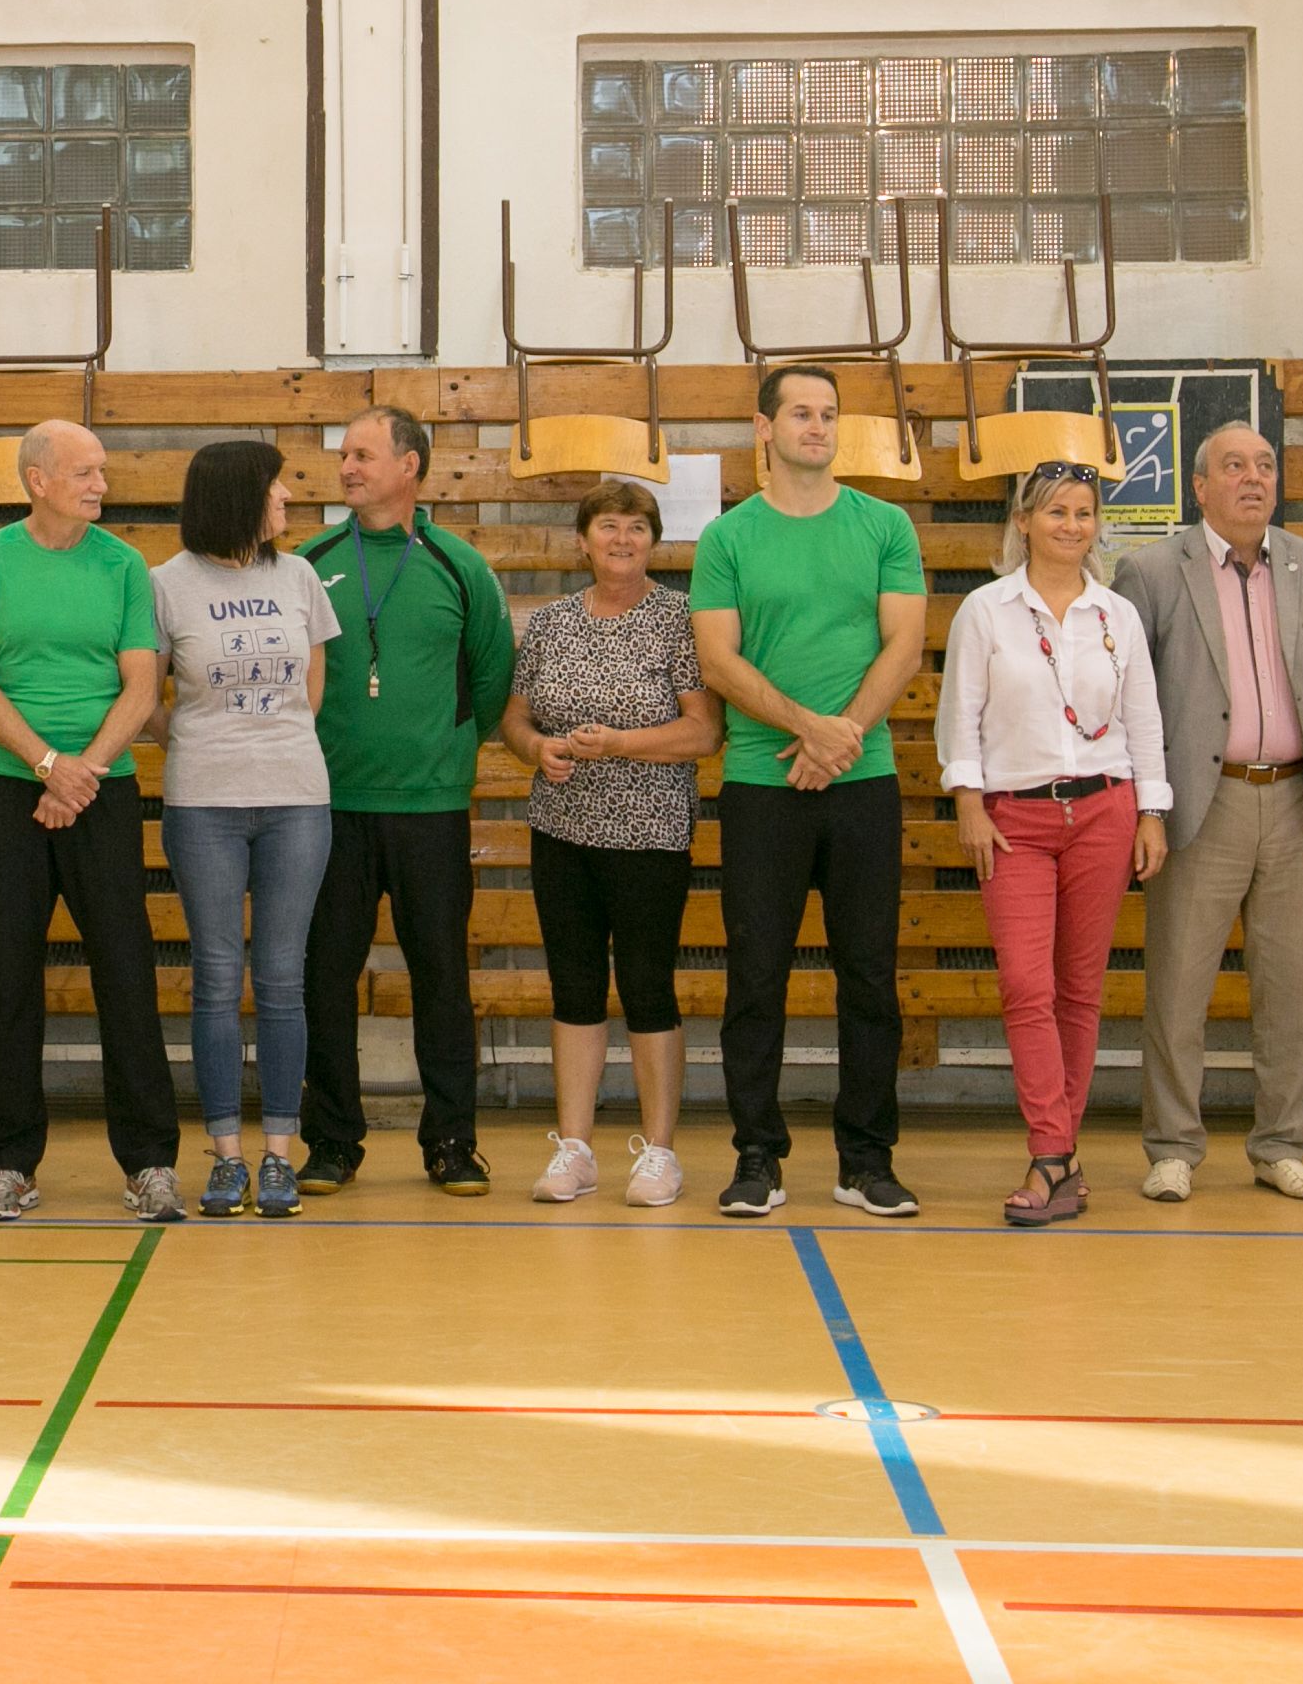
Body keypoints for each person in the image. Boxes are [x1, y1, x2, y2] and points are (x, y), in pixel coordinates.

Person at [691, 367, 929, 1218]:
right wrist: (806, 728)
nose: (818, 426)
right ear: (765, 428)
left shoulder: (884, 524)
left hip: (863, 782)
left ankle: (866, 1160)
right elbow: (718, 660)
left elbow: (905, 645)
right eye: (801, 412)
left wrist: (842, 736)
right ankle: (757, 1156)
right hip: (762, 784)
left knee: (869, 976)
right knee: (757, 976)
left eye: (829, 414)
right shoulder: (728, 538)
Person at [0, 419, 183, 1224]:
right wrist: (49, 765)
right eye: (85, 472)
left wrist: (80, 772)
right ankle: (10, 1164)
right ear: (37, 480)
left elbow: (142, 687)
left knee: (126, 972)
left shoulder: (123, 566)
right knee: (10, 977)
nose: (100, 485)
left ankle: (150, 1162)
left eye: (103, 471)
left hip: (103, 791)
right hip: (11, 790)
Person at [938, 461, 1171, 1228]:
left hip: (1106, 811)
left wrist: (1151, 811)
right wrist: (968, 801)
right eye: (1056, 512)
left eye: (1083, 513)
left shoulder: (1117, 615)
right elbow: (960, 714)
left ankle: (1055, 1158)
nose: (1072, 525)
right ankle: (1054, 1150)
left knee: (1080, 989)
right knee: (1024, 986)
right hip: (1015, 821)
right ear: (1023, 522)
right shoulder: (986, 610)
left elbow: (1143, 719)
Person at [294, 406, 516, 1197]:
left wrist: (442, 755)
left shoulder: (460, 565)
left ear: (409, 465)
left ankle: (451, 1141)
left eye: (363, 454)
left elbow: (492, 678)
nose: (347, 467)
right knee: (325, 978)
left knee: (442, 977)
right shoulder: (309, 563)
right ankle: (331, 1141)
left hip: (431, 808)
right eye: (344, 455)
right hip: (328, 811)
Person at [1130, 420, 1303, 1204]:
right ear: (1199, 487)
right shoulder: (1152, 571)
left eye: (1264, 465)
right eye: (1233, 466)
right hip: (1202, 799)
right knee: (1178, 987)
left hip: (1295, 800)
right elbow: (1134, 695)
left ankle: (1280, 1145)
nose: (1253, 478)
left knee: (1293, 992)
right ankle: (1172, 1148)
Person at [502, 481, 725, 1209]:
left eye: (636, 527)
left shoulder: (679, 620)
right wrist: (536, 748)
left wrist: (621, 743)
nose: (621, 539)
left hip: (649, 834)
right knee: (573, 986)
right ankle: (575, 1148)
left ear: (653, 541)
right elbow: (514, 718)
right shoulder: (551, 623)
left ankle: (659, 1152)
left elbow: (705, 732)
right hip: (561, 831)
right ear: (582, 540)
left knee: (647, 986)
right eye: (608, 526)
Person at [150, 439, 343, 1218]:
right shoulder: (165, 583)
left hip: (296, 798)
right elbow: (145, 696)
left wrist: (271, 744)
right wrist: (205, 741)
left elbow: (312, 690)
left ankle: (279, 1158)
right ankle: (227, 1156)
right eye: (276, 486)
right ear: (237, 496)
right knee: (218, 976)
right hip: (203, 804)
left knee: (284, 978)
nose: (287, 498)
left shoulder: (299, 577)